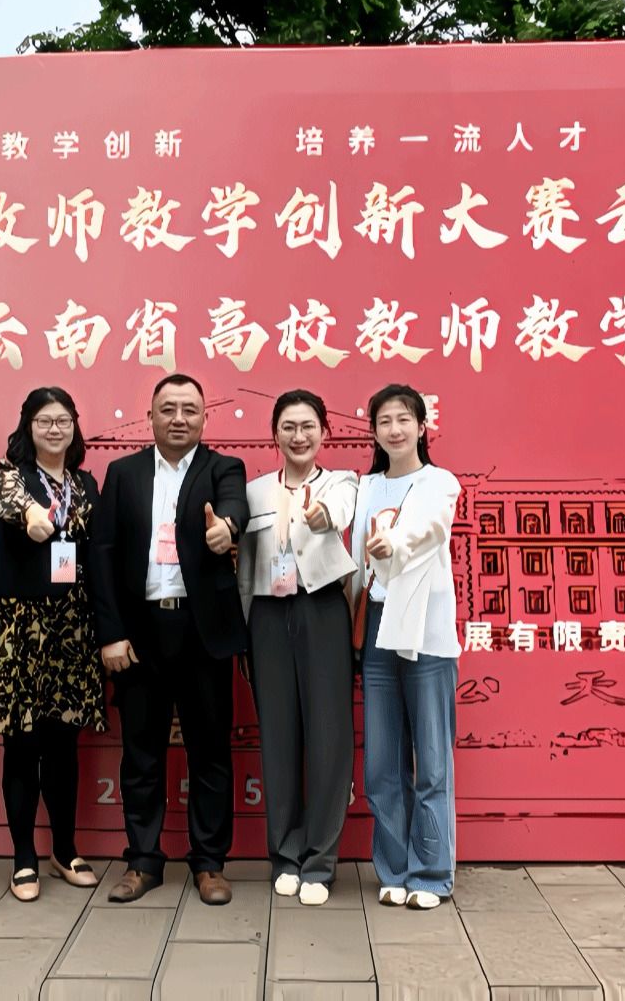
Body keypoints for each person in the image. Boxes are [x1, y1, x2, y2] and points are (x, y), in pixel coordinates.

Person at [88, 373, 249, 905]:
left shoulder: (223, 468)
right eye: (168, 409)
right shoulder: (124, 473)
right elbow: (103, 554)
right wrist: (111, 633)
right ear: (151, 416)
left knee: (210, 752)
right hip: (140, 634)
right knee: (141, 754)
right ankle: (142, 861)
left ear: (204, 417)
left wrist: (226, 528)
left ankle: (209, 864)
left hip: (202, 633)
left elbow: (235, 508)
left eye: (189, 409)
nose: (179, 418)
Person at [0, 387, 104, 902]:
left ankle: (64, 849)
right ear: (28, 427)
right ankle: (23, 857)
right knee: (22, 746)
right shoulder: (9, 477)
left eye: (63, 420)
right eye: (44, 421)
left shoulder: (86, 483)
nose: (55, 429)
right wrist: (35, 517)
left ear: (75, 427)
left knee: (64, 745)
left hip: (72, 627)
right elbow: (19, 510)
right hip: (20, 627)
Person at [237, 389, 359, 907]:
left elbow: (340, 513)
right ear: (275, 434)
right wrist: (245, 633)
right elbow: (245, 566)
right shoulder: (254, 492)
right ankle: (285, 855)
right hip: (267, 614)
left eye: (308, 426)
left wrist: (322, 513)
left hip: (322, 609)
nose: (298, 436)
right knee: (278, 736)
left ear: (324, 432)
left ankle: (320, 860)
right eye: (288, 427)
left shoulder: (341, 483)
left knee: (329, 737)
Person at [348, 384, 462, 911]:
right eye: (384, 421)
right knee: (381, 763)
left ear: (422, 427)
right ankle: (393, 868)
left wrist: (394, 541)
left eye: (403, 419)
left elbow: (429, 527)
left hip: (425, 631)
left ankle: (432, 873)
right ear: (373, 431)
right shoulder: (366, 487)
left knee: (431, 759)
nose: (394, 429)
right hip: (376, 626)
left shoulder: (440, 482)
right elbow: (353, 561)